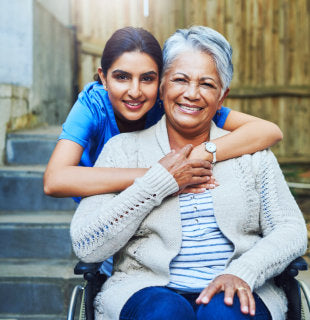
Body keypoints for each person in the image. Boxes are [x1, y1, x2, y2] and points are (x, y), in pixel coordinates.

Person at [70, 26, 307, 320]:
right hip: (143, 289)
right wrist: (159, 182)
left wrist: (244, 272)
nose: (191, 94)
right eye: (180, 80)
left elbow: (291, 230)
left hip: (241, 288)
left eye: (207, 84)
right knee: (164, 312)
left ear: (222, 96)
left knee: (226, 311)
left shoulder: (253, 155)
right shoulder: (121, 150)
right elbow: (86, 246)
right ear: (162, 87)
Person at [44, 26, 283, 201]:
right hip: (104, 204)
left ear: (160, 83)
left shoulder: (173, 103)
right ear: (103, 77)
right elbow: (55, 180)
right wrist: (160, 174)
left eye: (147, 78)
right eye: (122, 77)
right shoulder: (93, 104)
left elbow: (268, 130)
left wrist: (200, 154)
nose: (135, 91)